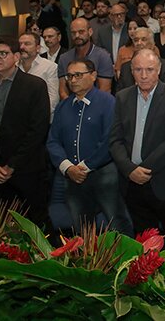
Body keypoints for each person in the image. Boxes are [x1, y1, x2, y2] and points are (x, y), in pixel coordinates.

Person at [0, 36, 51, 228]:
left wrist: (12, 166)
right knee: (0, 228)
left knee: (35, 226)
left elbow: (37, 131)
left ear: (16, 57)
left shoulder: (35, 85)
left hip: (27, 170)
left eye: (3, 54)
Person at [109, 49, 165, 246]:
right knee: (144, 243)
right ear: (131, 72)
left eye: (149, 69)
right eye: (138, 70)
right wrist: (130, 170)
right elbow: (115, 140)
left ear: (158, 70)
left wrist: (142, 169)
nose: (144, 75)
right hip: (132, 184)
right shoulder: (122, 97)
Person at [47, 59, 133, 235]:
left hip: (104, 175)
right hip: (72, 177)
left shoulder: (108, 102)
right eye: (69, 76)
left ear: (93, 75)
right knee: (82, 228)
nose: (73, 80)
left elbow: (110, 140)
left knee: (117, 224)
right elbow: (53, 141)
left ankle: (127, 254)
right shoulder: (63, 106)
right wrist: (68, 167)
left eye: (78, 75)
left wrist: (85, 167)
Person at [57, 18, 114, 100]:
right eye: (73, 33)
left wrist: (88, 106)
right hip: (71, 103)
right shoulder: (64, 58)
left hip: (96, 103)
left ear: (90, 32)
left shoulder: (103, 56)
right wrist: (71, 105)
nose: (77, 35)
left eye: (81, 32)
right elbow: (63, 91)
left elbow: (105, 89)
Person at [18, 32, 59, 119]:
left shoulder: (50, 67)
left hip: (41, 119)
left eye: (27, 44)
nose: (21, 47)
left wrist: (35, 116)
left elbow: (53, 100)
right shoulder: (13, 67)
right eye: (20, 44)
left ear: (38, 48)